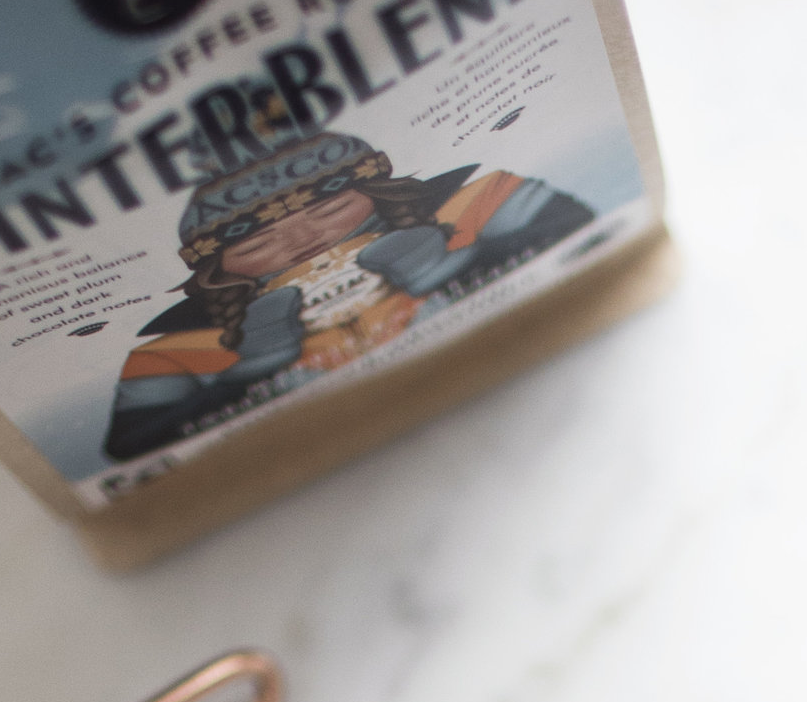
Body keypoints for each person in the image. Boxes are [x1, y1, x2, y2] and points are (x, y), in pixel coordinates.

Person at [103, 125, 595, 464]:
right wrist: (249, 373)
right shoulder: (178, 349)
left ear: (377, 190)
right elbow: (136, 453)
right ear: (215, 265)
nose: (301, 241)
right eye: (256, 242)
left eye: (330, 207)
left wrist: (463, 262)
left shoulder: (475, 203)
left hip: (530, 385)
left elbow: (582, 228)